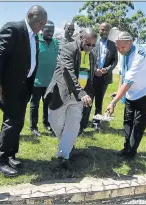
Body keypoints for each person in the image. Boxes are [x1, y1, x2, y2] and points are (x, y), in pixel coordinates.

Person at [0, 5, 47, 177]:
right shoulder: (14, 28)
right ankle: (1, 160)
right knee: (11, 121)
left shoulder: (35, 36)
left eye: (44, 24)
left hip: (25, 86)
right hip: (9, 85)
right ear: (30, 15)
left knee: (19, 121)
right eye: (40, 22)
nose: (42, 26)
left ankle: (11, 155)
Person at [44, 28, 97, 168]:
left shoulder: (92, 55)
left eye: (93, 45)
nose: (90, 48)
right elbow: (68, 71)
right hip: (63, 94)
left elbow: (90, 76)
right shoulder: (68, 48)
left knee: (73, 126)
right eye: (88, 44)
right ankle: (67, 142)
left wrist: (87, 93)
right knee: (55, 122)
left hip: (79, 98)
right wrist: (81, 92)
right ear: (80, 37)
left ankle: (64, 156)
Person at [105, 31, 146, 159]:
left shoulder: (140, 54)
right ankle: (126, 148)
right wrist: (118, 91)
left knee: (138, 124)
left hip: (145, 92)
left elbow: (129, 80)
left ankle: (131, 152)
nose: (119, 50)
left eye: (122, 47)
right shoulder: (124, 51)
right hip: (131, 93)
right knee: (127, 121)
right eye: (117, 47)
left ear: (130, 42)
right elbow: (122, 73)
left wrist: (113, 102)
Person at [80, 22, 118, 132]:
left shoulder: (112, 45)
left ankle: (96, 122)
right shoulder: (93, 42)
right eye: (101, 29)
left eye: (105, 30)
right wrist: (95, 69)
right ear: (99, 30)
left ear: (109, 31)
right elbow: (89, 56)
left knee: (99, 101)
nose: (103, 32)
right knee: (88, 99)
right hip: (92, 76)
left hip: (104, 78)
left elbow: (115, 61)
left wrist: (106, 70)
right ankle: (84, 121)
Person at [29, 20, 59, 137]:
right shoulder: (36, 40)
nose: (50, 33)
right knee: (34, 105)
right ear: (42, 30)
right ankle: (33, 127)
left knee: (48, 104)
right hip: (36, 80)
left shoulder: (56, 43)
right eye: (47, 30)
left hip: (50, 81)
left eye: (52, 30)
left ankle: (47, 123)